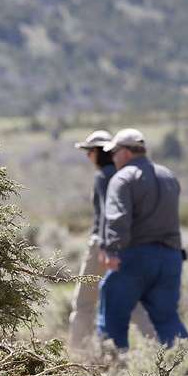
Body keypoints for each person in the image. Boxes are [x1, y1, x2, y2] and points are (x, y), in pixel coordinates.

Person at [97, 128, 188, 349]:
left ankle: (113, 372)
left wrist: (111, 250)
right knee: (168, 319)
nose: (112, 158)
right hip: (170, 258)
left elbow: (117, 218)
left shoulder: (122, 179)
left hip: (134, 257)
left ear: (126, 152)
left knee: (112, 320)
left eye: (114, 152)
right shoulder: (168, 175)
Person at [68, 130, 154, 347]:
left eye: (89, 151)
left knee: (84, 303)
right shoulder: (125, 175)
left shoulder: (103, 177)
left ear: (98, 152)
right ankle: (158, 346)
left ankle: (77, 353)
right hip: (128, 245)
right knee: (133, 301)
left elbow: (109, 215)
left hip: (103, 246)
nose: (88, 156)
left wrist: (107, 247)